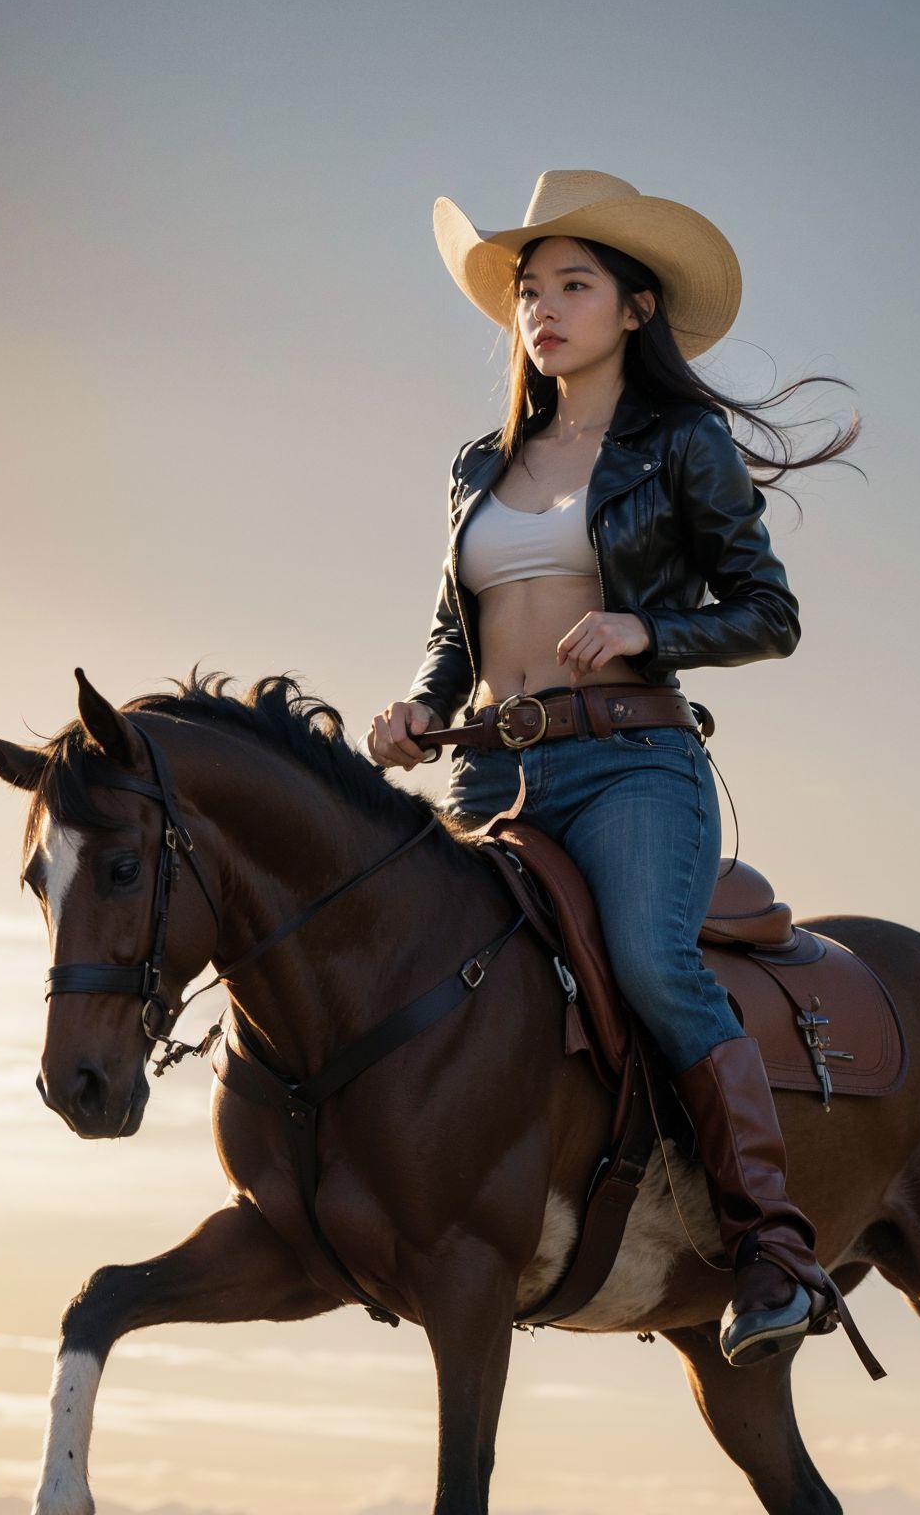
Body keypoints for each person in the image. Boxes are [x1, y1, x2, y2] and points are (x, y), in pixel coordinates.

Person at [367, 169, 861, 1366]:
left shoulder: (679, 443)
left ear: (634, 308)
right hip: (488, 780)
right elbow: (454, 631)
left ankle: (773, 1250)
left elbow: (767, 612)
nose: (541, 309)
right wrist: (422, 708)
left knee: (648, 960)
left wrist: (650, 630)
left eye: (571, 285)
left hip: (631, 764)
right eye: (528, 291)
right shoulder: (476, 466)